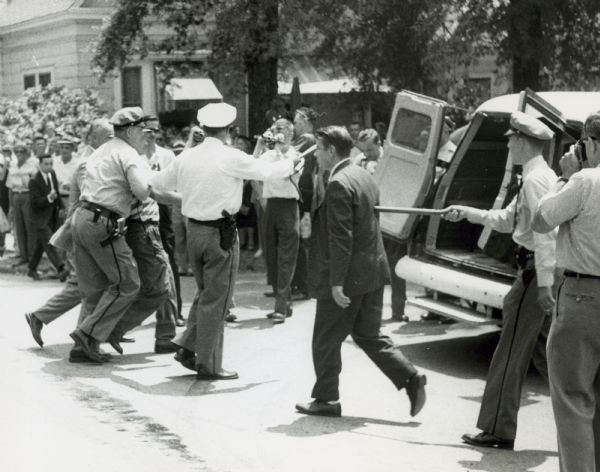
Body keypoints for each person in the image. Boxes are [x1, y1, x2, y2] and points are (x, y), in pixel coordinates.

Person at [150, 102, 303, 380]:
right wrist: (292, 163)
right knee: (217, 300)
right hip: (220, 232)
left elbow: (157, 185)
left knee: (206, 293)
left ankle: (188, 346)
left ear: (204, 128)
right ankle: (208, 363)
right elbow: (265, 172)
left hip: (194, 229)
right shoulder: (229, 156)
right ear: (229, 130)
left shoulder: (186, 157)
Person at [443, 111, 557, 450]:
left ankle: (497, 428)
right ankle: (589, 417)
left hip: (534, 274)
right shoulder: (536, 176)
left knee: (509, 352)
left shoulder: (536, 180)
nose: (508, 145)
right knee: (545, 355)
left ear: (522, 142)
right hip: (536, 273)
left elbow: (546, 234)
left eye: (511, 141)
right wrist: (468, 212)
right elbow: (507, 220)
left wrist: (546, 284)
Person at [295, 126, 427, 418]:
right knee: (368, 334)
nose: (315, 154)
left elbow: (342, 238)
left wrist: (337, 283)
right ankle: (411, 378)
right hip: (372, 271)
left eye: (318, 148)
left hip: (348, 277)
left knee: (325, 339)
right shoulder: (363, 175)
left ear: (331, 151)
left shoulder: (339, 183)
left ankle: (327, 400)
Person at [532, 111, 600, 472]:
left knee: (573, 401)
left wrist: (564, 176)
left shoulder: (585, 180)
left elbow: (540, 220)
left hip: (583, 297)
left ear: (589, 143)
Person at [69, 107, 153, 363]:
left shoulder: (100, 151)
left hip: (82, 217)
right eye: (142, 130)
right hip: (102, 221)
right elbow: (142, 191)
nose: (145, 135)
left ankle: (82, 349)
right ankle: (86, 334)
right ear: (130, 130)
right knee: (127, 284)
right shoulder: (128, 153)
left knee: (94, 289)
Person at [23, 119, 113, 359]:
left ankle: (42, 318)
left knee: (81, 285)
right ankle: (83, 342)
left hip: (83, 232)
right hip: (83, 232)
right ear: (92, 139)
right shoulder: (88, 163)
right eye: (107, 137)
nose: (111, 141)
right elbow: (93, 200)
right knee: (93, 286)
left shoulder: (96, 159)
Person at [256, 118, 301, 324]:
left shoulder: (297, 156)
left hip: (288, 206)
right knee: (271, 256)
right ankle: (284, 300)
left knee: (285, 257)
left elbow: (287, 173)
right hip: (271, 205)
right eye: (276, 130)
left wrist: (281, 151)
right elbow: (252, 168)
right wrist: (261, 144)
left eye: (282, 130)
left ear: (291, 135)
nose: (279, 133)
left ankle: (280, 306)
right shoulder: (267, 155)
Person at [27, 154, 68, 281]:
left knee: (41, 244)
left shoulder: (52, 174)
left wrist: (61, 207)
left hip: (51, 216)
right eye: (46, 164)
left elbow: (56, 193)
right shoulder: (34, 180)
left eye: (51, 163)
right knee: (50, 242)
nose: (49, 166)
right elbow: (35, 202)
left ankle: (31, 269)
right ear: (39, 165)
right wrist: (49, 198)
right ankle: (61, 268)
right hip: (38, 218)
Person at [291, 106, 318, 300]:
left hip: (303, 193)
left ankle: (304, 285)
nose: (294, 125)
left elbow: (290, 154)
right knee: (299, 240)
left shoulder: (307, 139)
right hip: (303, 192)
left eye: (297, 121)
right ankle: (297, 283)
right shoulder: (305, 139)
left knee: (300, 240)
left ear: (307, 121)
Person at [6, 142, 38, 265]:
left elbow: (35, 185)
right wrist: (11, 206)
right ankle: (23, 255)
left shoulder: (31, 166)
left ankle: (31, 255)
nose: (19, 154)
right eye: (17, 152)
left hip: (27, 195)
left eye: (21, 151)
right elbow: (9, 187)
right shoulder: (13, 166)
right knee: (18, 227)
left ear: (26, 153)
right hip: (15, 195)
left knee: (29, 225)